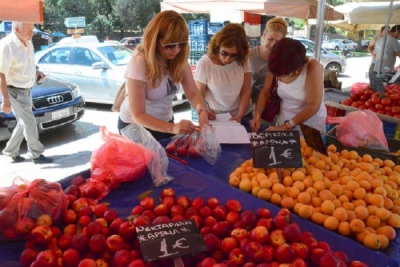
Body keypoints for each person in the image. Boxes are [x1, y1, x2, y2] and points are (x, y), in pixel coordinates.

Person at [118, 10, 209, 141]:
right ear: (154, 40)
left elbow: (193, 93)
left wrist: (202, 112)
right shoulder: (139, 63)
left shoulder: (179, 59)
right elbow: (138, 114)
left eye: (181, 44)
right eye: (170, 45)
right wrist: (172, 128)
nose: (177, 50)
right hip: (135, 126)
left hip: (166, 121)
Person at [250, 38, 327, 136]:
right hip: (283, 122)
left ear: (296, 69)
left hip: (309, 127)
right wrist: (257, 116)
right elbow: (265, 92)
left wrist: (286, 126)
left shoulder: (312, 66)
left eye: (283, 75)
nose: (278, 77)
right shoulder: (277, 62)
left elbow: (313, 106)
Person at [0, 22, 53, 164]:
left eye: (33, 29)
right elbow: (1, 74)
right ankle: (36, 154)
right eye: (29, 30)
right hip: (15, 90)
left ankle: (10, 151)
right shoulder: (6, 45)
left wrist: (36, 71)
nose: (33, 33)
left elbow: (26, 63)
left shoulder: (28, 42)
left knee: (23, 122)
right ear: (16, 29)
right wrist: (5, 99)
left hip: (27, 88)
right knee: (29, 121)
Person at [194, 23, 252, 130]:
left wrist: (240, 114)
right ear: (218, 45)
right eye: (224, 53)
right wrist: (205, 110)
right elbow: (198, 94)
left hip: (243, 114)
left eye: (234, 55)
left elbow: (246, 90)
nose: (228, 59)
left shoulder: (243, 60)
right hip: (217, 117)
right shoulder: (205, 63)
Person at [248, 17, 288, 128]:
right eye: (270, 39)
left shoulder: (282, 60)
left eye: (278, 42)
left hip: (273, 109)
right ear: (264, 35)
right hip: (251, 107)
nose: (273, 44)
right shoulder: (250, 55)